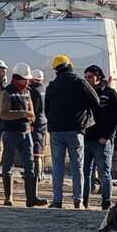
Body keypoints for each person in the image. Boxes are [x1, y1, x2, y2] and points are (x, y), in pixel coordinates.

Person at [44, 54, 99, 209]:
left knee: (57, 167)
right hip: (76, 130)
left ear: (56, 70)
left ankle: (57, 200)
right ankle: (78, 201)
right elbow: (96, 101)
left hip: (56, 131)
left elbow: (47, 109)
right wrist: (85, 115)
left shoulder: (52, 86)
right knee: (77, 167)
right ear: (69, 65)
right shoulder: (80, 83)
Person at [0, 62, 46, 207]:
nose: (28, 82)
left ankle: (32, 198)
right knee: (8, 165)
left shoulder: (27, 92)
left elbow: (32, 111)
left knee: (30, 165)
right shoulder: (6, 92)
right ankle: (8, 197)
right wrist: (23, 114)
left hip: (26, 133)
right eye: (26, 79)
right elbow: (3, 113)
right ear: (18, 78)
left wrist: (30, 117)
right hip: (11, 133)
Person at [82, 65, 117, 210]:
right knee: (85, 172)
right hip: (86, 139)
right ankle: (83, 200)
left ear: (99, 78)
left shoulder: (109, 94)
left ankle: (106, 201)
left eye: (90, 77)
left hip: (102, 141)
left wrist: (107, 136)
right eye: (85, 77)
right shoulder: (85, 93)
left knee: (104, 172)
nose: (87, 80)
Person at [29, 69, 48, 182]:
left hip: (36, 121)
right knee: (40, 145)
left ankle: (36, 173)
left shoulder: (32, 90)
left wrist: (31, 122)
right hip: (44, 121)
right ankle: (40, 172)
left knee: (35, 146)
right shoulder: (44, 89)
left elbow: (33, 108)